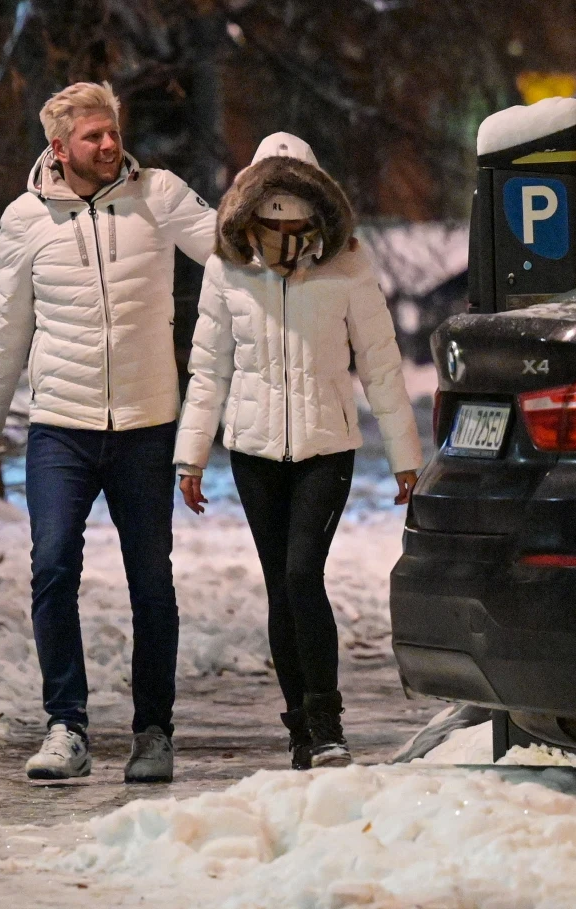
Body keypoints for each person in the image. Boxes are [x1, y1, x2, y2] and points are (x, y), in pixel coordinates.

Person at [0, 82, 217, 783]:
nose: (109, 145)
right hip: (61, 430)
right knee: (51, 567)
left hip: (145, 425)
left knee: (151, 581)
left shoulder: (158, 195)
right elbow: (5, 329)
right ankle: (66, 726)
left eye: (112, 132)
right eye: (93, 137)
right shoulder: (25, 219)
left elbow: (231, 246)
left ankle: (154, 731)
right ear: (59, 147)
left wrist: (297, 233)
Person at [174, 132, 422, 770]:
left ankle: (327, 723)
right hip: (254, 452)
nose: (282, 218)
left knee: (300, 575)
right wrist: (191, 453)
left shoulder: (347, 265)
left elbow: (381, 366)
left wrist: (404, 456)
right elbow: (210, 369)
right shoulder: (227, 266)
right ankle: (300, 730)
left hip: (326, 447)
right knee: (280, 589)